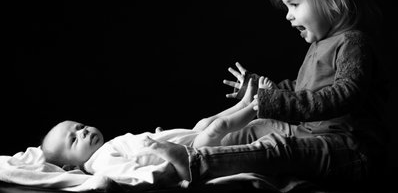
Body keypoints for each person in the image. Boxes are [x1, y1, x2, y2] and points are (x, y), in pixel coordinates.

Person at [139, 0, 389, 188]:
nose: (289, 15)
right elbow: (302, 88)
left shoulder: (353, 43)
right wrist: (260, 91)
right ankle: (200, 150)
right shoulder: (319, 45)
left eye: (294, 5)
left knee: (279, 148)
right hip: (313, 136)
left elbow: (344, 95)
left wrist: (275, 102)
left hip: (350, 150)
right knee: (257, 126)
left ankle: (196, 163)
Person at [40, 77, 272, 185]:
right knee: (216, 128)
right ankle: (257, 105)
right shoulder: (100, 164)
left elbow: (137, 149)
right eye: (74, 139)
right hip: (187, 153)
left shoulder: (106, 148)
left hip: (182, 140)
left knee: (203, 123)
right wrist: (163, 169)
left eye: (80, 127)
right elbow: (134, 174)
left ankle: (243, 105)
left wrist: (158, 135)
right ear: (71, 166)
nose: (83, 132)